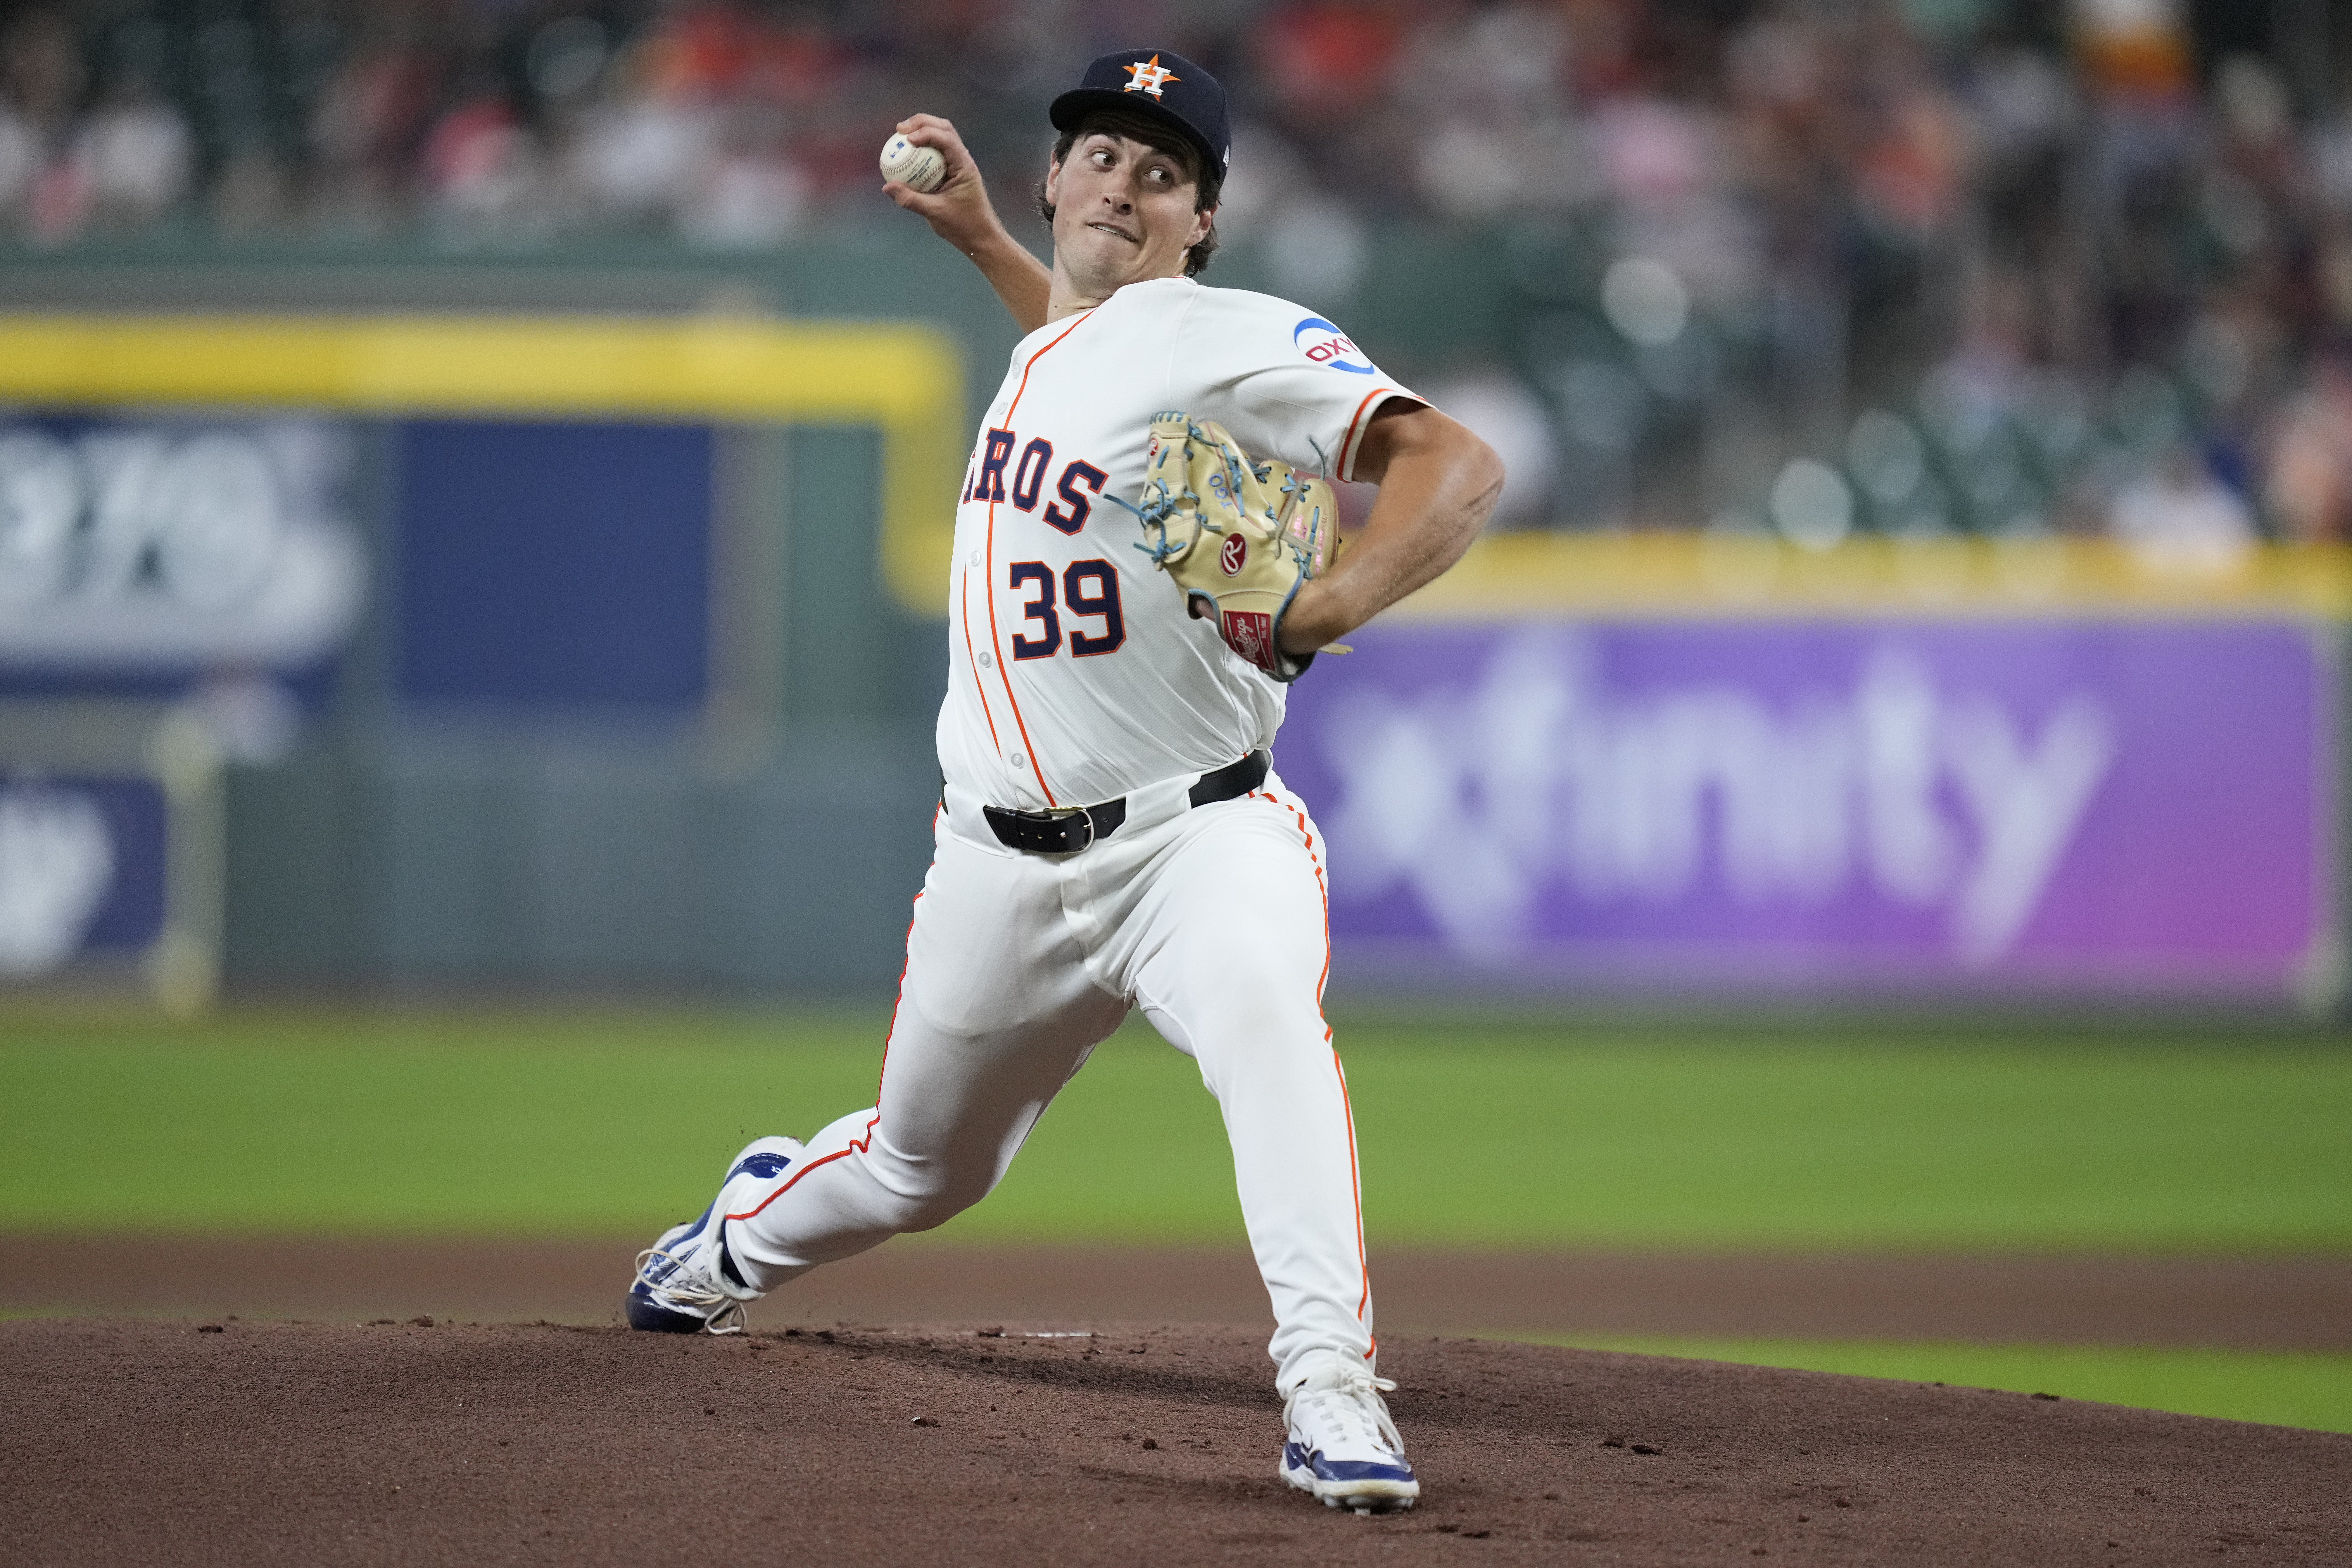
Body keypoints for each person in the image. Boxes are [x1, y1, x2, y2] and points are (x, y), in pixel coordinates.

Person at [626, 48, 1501, 1516]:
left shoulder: (1225, 332)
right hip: (997, 867)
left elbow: (1454, 465)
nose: (1123, 183)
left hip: (1196, 839)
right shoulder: (1065, 345)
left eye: (1162, 174)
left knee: (1263, 1025)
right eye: (1098, 154)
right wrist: (979, 239)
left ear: (1199, 224)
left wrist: (1325, 607)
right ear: (1052, 176)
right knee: (920, 1175)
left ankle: (1330, 1386)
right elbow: (1088, 352)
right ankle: (738, 1237)